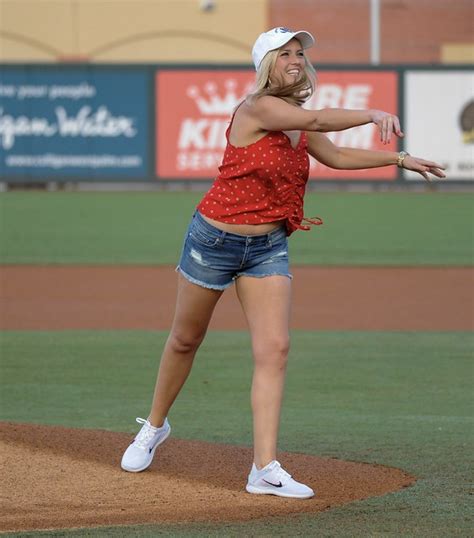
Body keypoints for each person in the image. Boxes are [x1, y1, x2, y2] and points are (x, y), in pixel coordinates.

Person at [120, 27, 445, 499]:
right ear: (265, 64)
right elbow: (319, 123)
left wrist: (398, 158)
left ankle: (264, 468)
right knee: (185, 339)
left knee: (275, 350)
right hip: (214, 238)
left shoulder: (292, 118)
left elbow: (332, 155)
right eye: (284, 53)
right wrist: (371, 112)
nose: (295, 59)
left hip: (268, 244)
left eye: (299, 53)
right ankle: (153, 426)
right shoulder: (259, 109)